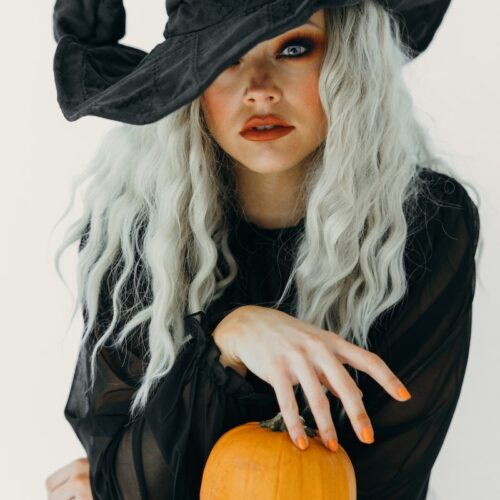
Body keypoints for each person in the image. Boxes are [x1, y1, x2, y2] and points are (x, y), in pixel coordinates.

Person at [46, 1, 482, 499]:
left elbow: (381, 484)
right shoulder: (135, 232)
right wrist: (226, 344)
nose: (259, 89)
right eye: (225, 56)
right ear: (191, 83)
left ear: (346, 60)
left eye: (294, 48)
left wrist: (142, 460)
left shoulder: (424, 224)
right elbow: (131, 486)